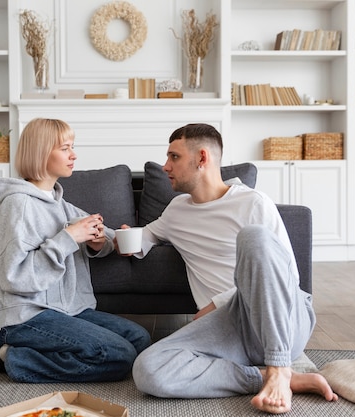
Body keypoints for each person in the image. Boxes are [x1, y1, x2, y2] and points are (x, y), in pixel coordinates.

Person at [121, 123, 337, 414]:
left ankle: (279, 365)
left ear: (201, 158)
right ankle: (270, 377)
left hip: (283, 321)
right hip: (229, 328)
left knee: (254, 237)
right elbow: (142, 238)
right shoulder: (176, 210)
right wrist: (103, 238)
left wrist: (217, 302)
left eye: (174, 157)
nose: (165, 166)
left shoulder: (252, 202)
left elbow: (287, 277)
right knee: (147, 369)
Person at [0, 117, 151, 383]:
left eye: (72, 147)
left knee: (139, 339)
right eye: (65, 148)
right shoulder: (18, 206)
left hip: (67, 309)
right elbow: (13, 277)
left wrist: (100, 241)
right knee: (118, 355)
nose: (74, 155)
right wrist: (69, 237)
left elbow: (101, 233)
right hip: (25, 314)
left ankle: (26, 353)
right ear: (40, 152)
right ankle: (17, 359)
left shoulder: (60, 204)